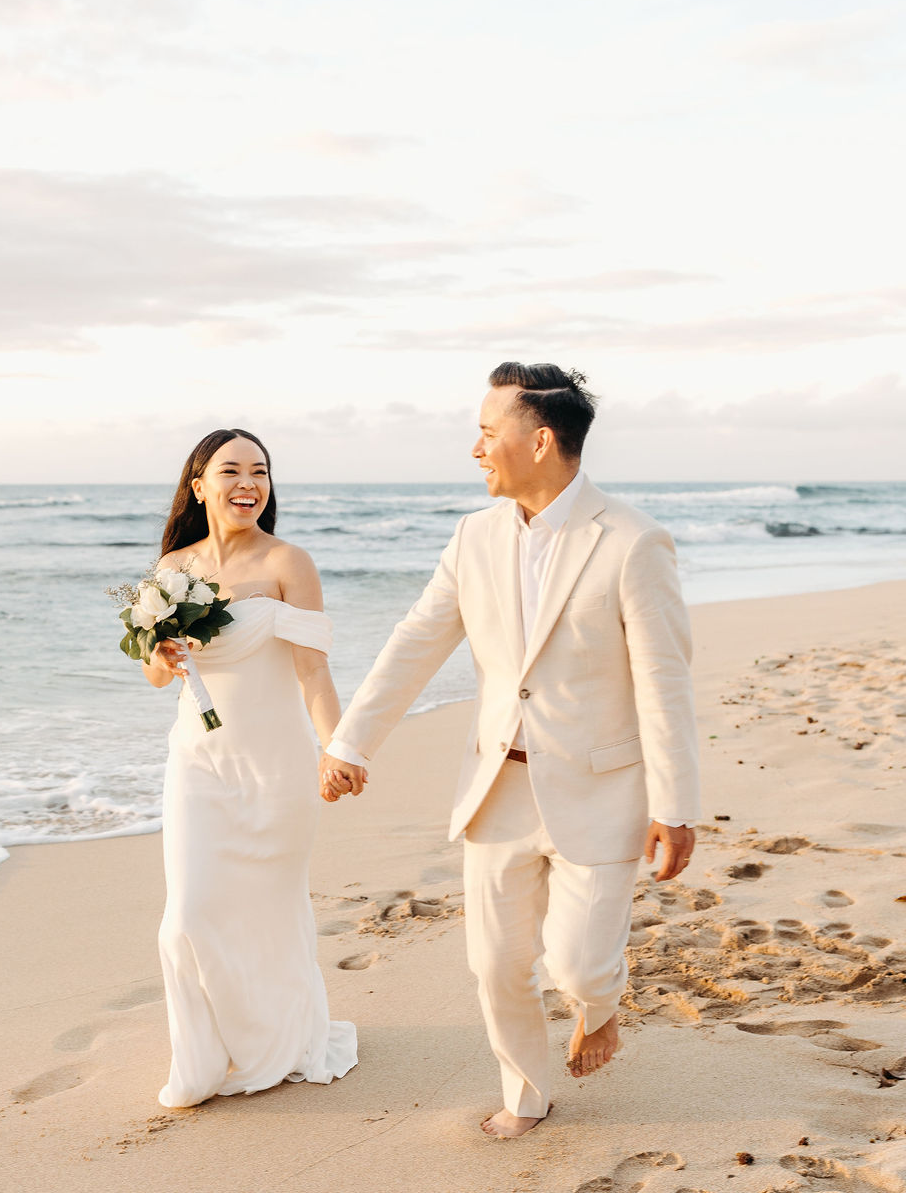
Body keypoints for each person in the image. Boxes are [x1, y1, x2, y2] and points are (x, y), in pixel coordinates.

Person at [320, 363, 698, 1139]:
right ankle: (526, 1092)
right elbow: (415, 642)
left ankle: (599, 1010)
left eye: (489, 433)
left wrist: (676, 804)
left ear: (541, 439)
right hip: (499, 786)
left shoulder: (631, 542)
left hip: (601, 789)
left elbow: (665, 680)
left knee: (580, 966)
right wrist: (352, 740)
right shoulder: (474, 536)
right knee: (494, 966)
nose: (476, 449)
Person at [144, 427, 357, 1108]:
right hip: (199, 766)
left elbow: (313, 673)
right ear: (199, 485)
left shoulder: (288, 562)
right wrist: (163, 654)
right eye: (230, 470)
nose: (247, 484)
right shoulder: (173, 567)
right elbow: (154, 675)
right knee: (188, 915)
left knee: (268, 909)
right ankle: (204, 1059)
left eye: (259, 471)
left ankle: (280, 1040)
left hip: (277, 763)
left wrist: (338, 748)